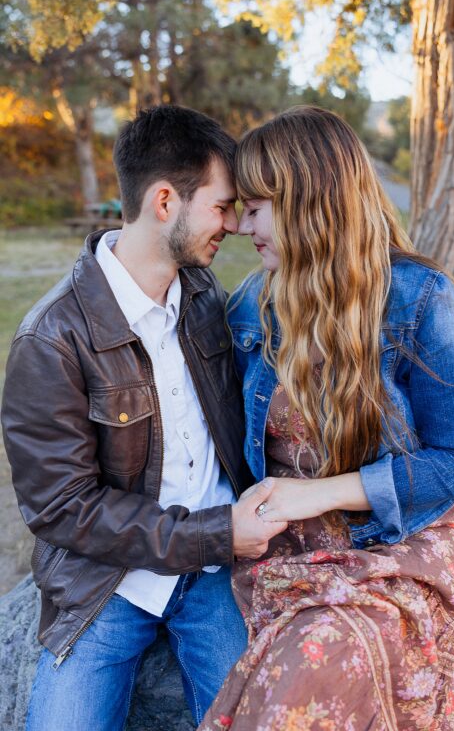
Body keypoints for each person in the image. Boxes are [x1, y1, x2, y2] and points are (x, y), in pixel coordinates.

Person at [200, 105, 454, 730]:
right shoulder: (251, 305)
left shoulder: (423, 301)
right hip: (284, 546)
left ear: (311, 200)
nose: (243, 225)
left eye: (258, 206)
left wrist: (316, 495)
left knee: (321, 661)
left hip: (399, 538)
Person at [0, 105, 286, 730]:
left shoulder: (209, 299)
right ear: (164, 202)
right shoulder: (51, 339)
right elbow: (61, 508)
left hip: (214, 575)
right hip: (107, 581)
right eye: (221, 206)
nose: (235, 225)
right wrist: (216, 534)